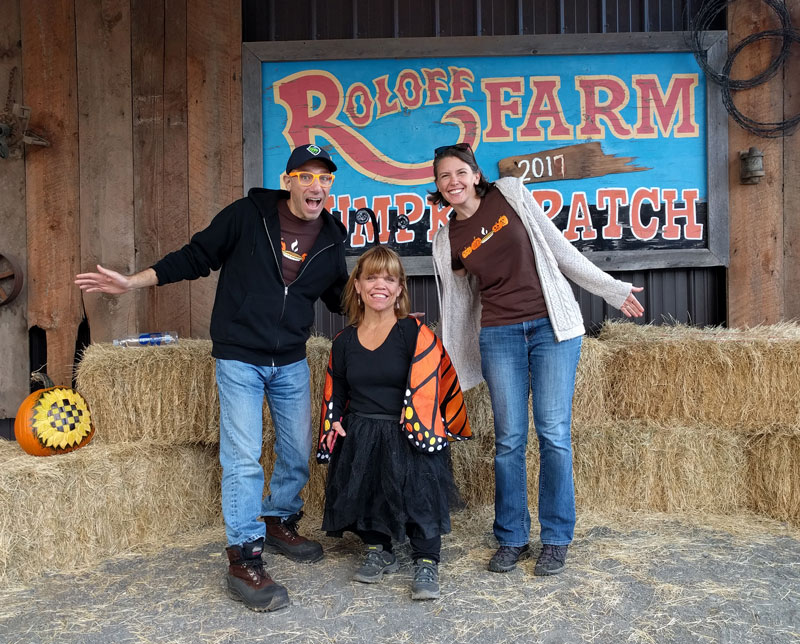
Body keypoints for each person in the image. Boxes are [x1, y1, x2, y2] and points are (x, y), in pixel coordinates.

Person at [75, 144, 349, 612]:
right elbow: (195, 256)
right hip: (239, 357)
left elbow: (339, 297)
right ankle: (244, 556)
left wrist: (389, 302)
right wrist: (130, 283)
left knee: (298, 449)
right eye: (305, 176)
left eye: (324, 178)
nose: (315, 186)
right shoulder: (248, 215)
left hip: (291, 360)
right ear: (288, 181)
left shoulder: (330, 236)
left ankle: (280, 517)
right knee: (242, 458)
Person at [429, 142, 644, 577]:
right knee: (509, 441)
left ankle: (556, 539)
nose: (452, 181)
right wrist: (449, 353)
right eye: (443, 177)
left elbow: (560, 249)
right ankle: (511, 537)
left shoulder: (509, 195)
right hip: (499, 335)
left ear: (475, 175)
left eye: (459, 172)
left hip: (552, 330)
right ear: (437, 186)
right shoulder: (446, 238)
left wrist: (611, 289)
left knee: (554, 434)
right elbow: (456, 301)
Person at [316, 245, 471, 600]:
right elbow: (336, 388)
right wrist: (335, 421)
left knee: (420, 497)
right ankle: (377, 549)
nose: (380, 285)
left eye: (389, 278)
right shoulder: (343, 342)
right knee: (369, 493)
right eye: (371, 277)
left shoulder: (415, 333)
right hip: (362, 432)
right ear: (357, 285)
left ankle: (426, 559)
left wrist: (419, 411)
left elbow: (437, 380)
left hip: (408, 433)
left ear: (400, 288)